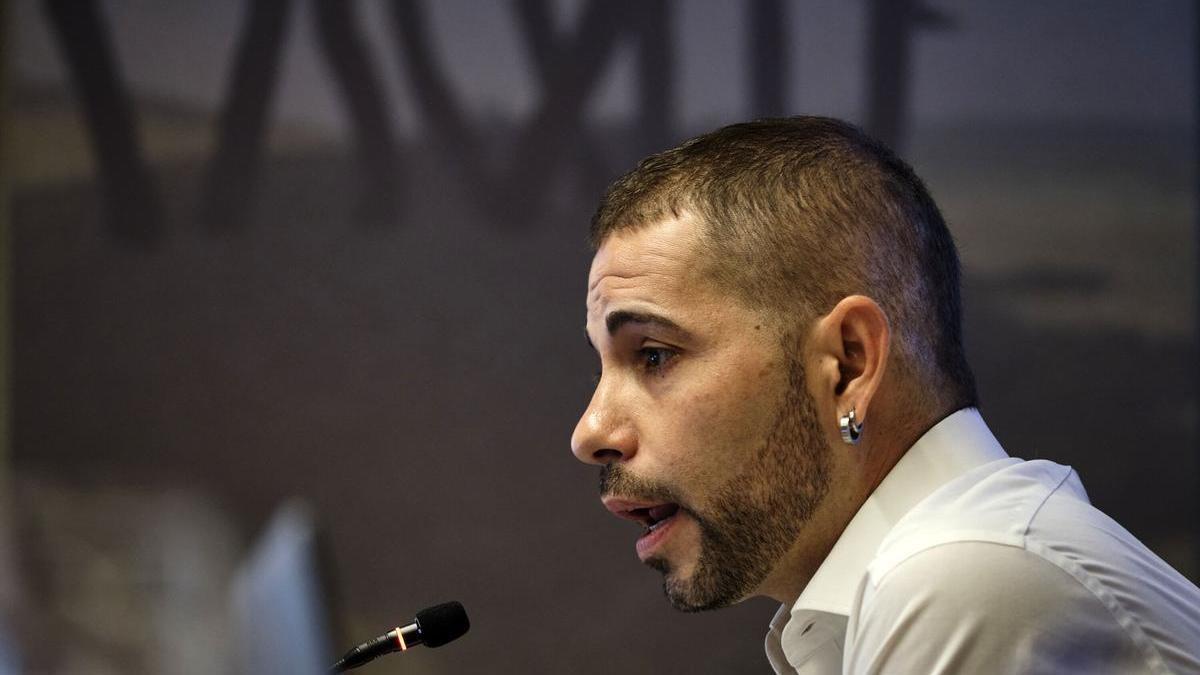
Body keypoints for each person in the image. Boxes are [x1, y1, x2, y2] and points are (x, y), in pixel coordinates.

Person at [570, 116, 1200, 674]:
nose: (590, 432)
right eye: (602, 368)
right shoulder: (951, 565)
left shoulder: (960, 573)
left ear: (848, 363)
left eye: (654, 355)